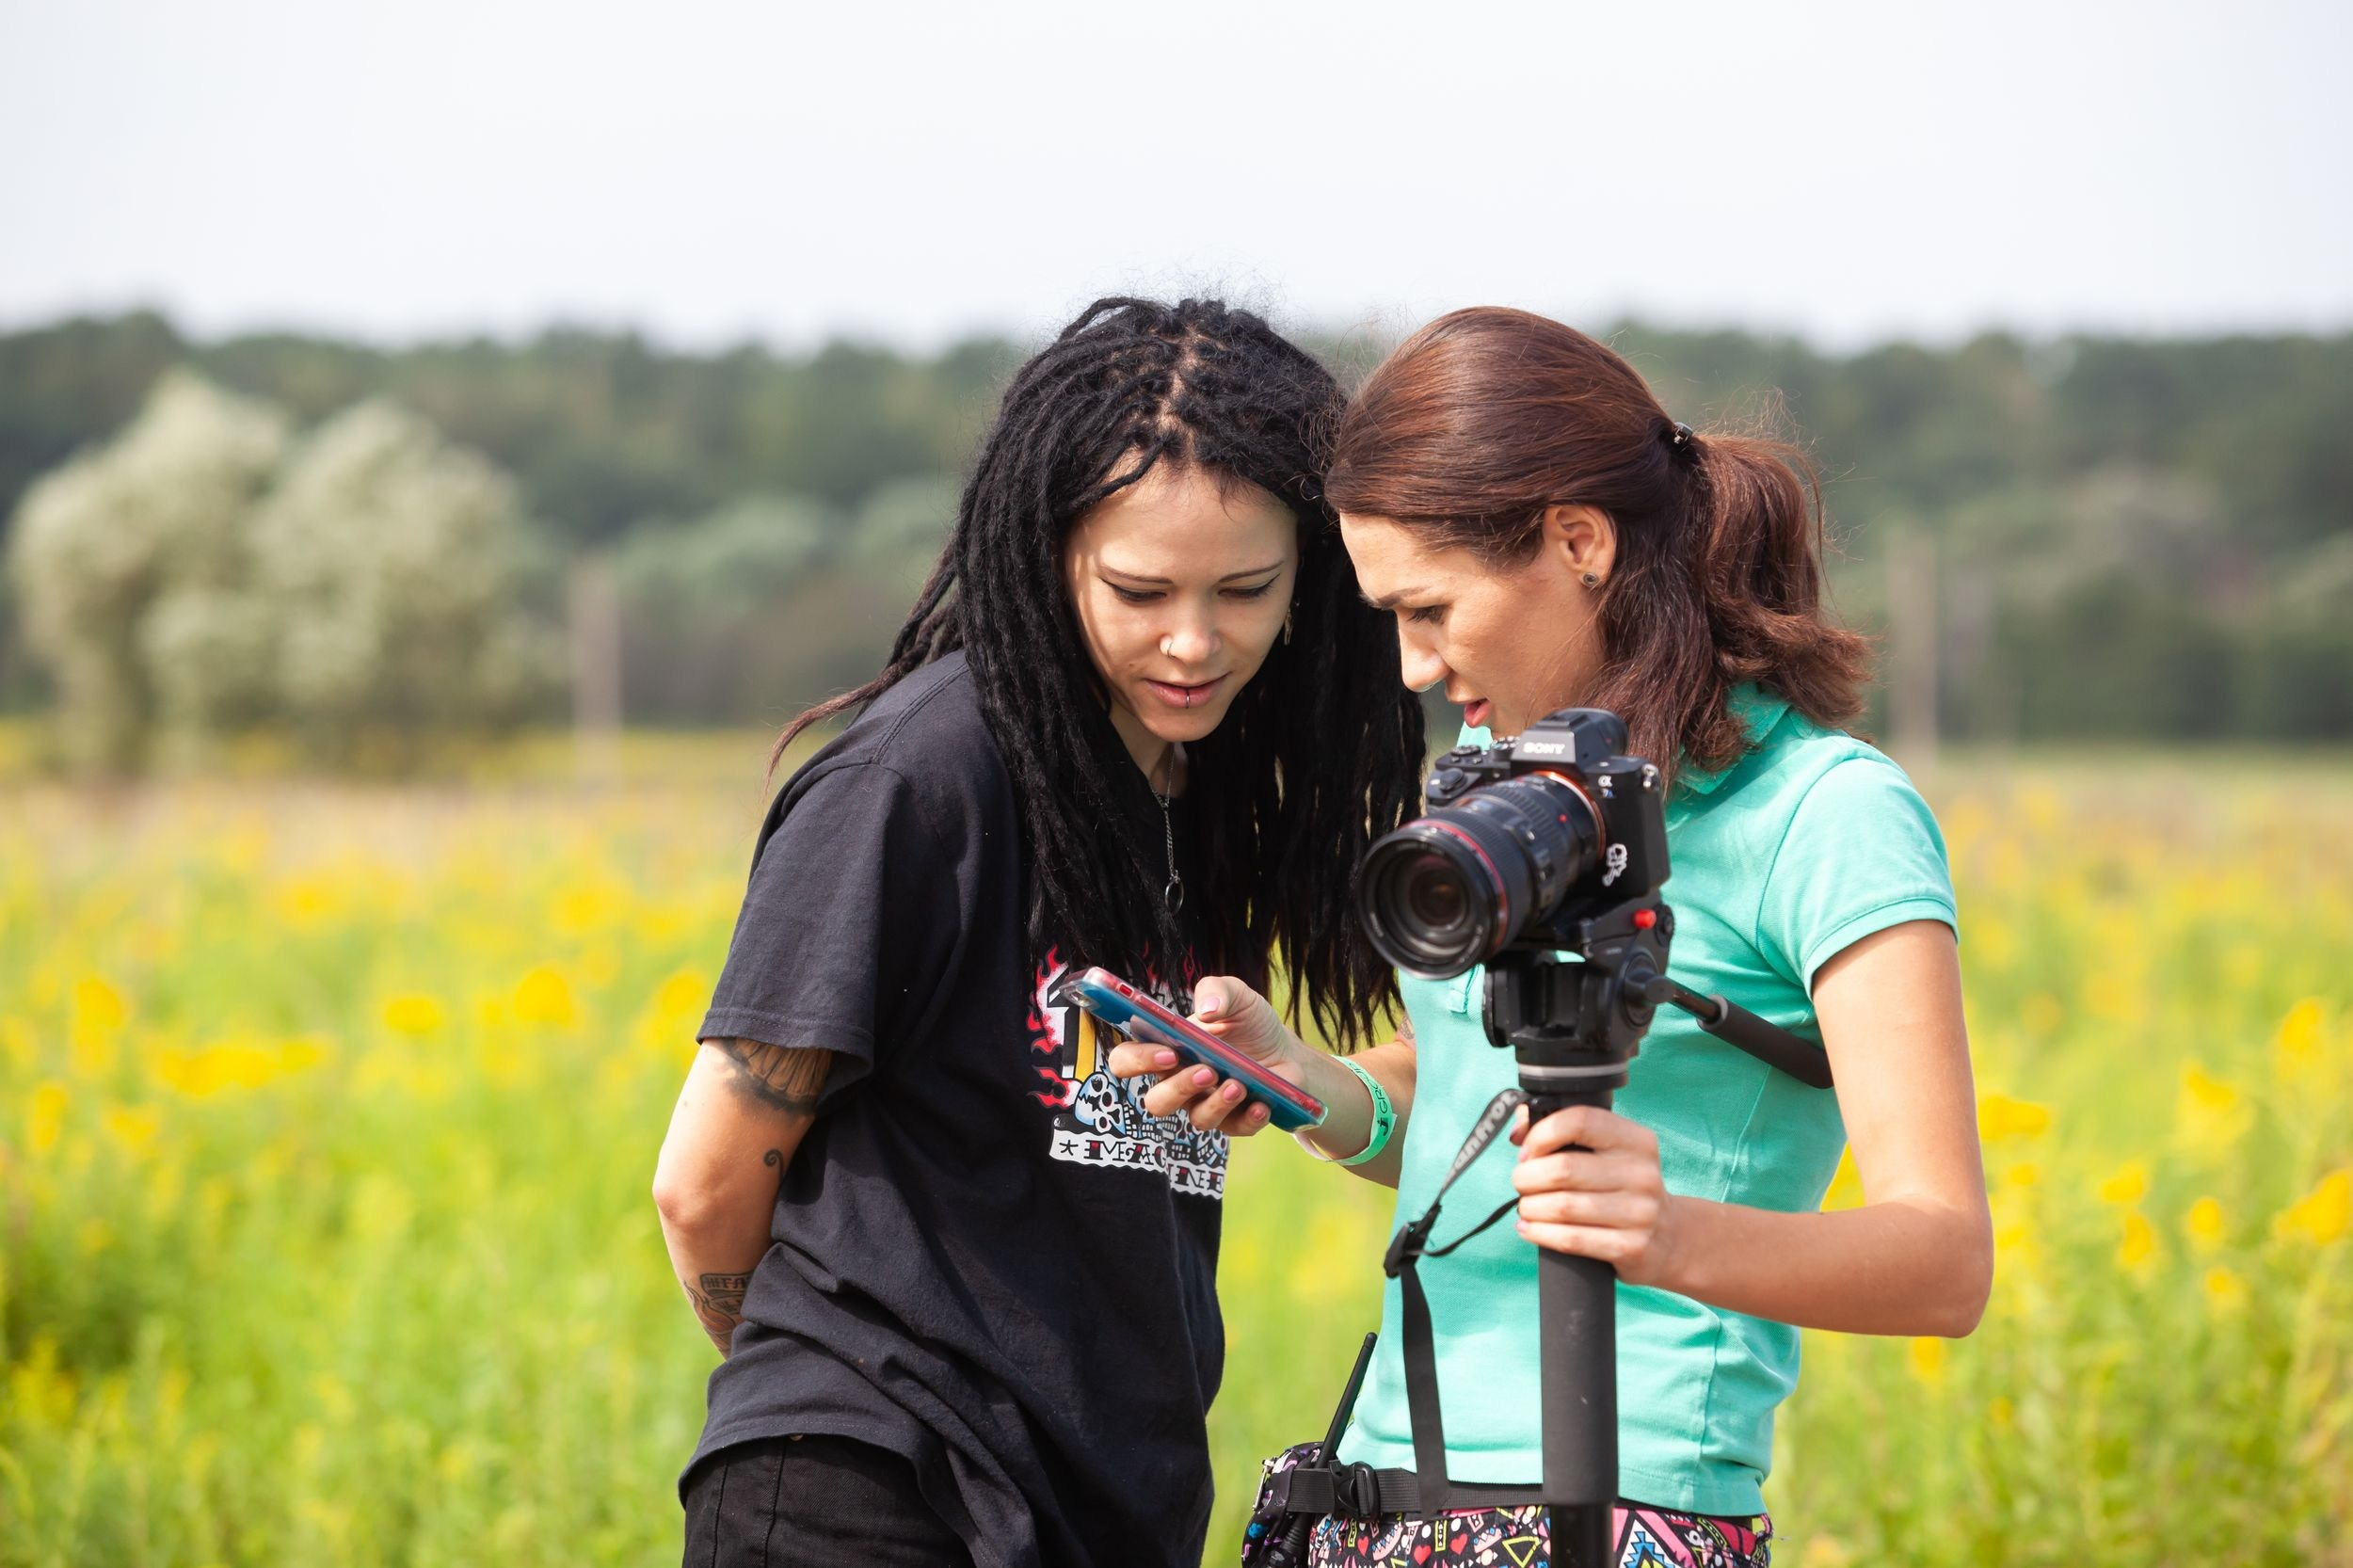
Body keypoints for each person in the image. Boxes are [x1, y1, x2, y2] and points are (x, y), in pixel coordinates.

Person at [1118, 307, 1991, 1568]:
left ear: (1576, 540)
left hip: (1629, 1506)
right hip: (1368, 1503)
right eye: (1388, 622)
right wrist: (1311, 1081)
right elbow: (1472, 1111)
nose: (1413, 667)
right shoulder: (1486, 792)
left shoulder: (1826, 813)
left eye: (1430, 609)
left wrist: (1669, 1231)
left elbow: (1942, 1259)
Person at [650, 296, 1424, 1568]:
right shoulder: (918, 780)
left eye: (1245, 589)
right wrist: (860, 1392)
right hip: (867, 1501)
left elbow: (1414, 1073)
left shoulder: (1201, 784)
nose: (1193, 638)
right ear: (1045, 552)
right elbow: (704, 1182)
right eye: (1139, 589)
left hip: (1097, 1511)